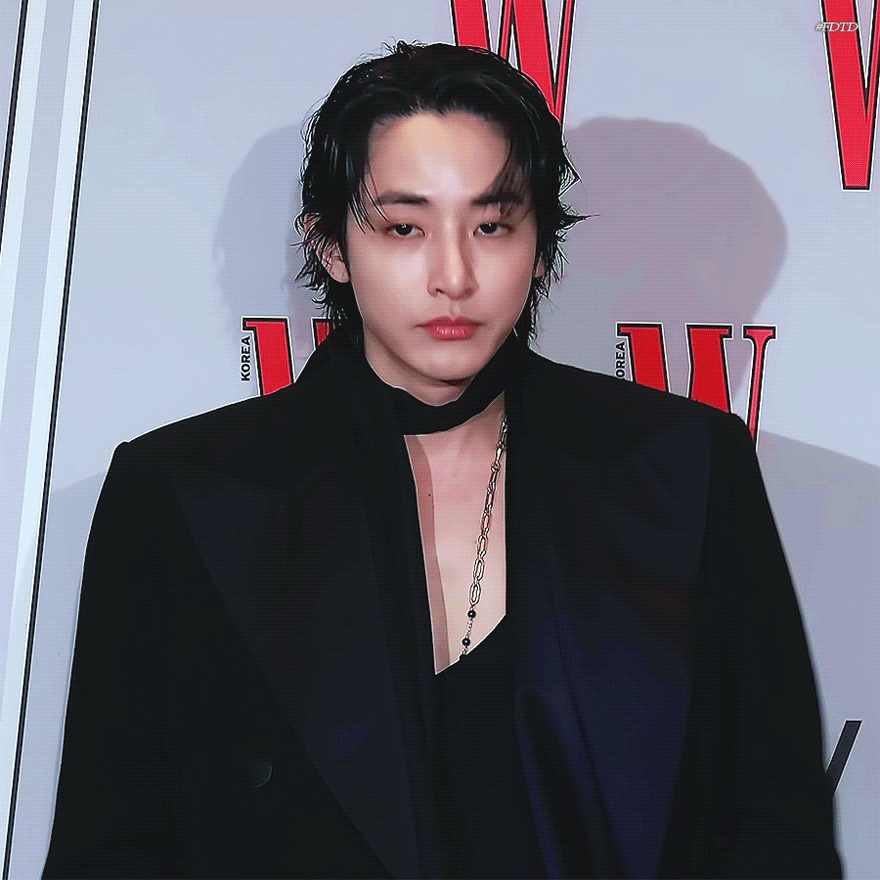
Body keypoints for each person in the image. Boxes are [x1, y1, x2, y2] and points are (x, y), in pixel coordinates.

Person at [42, 41, 842, 879]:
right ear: (332, 246)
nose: (453, 275)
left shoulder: (689, 470)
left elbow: (776, 831)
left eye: (492, 225)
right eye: (404, 228)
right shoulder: (176, 496)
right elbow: (111, 850)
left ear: (541, 245)